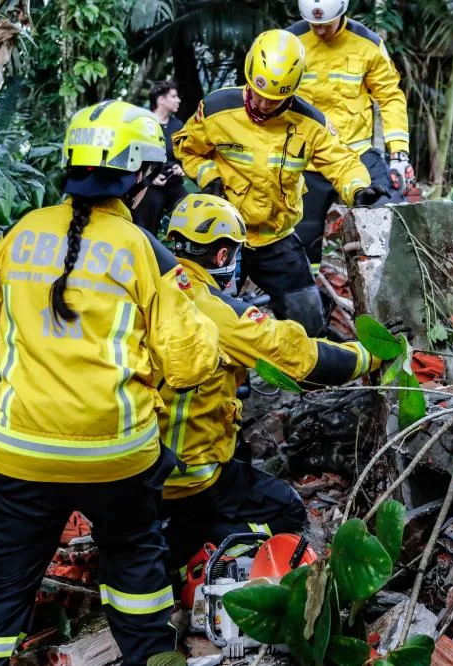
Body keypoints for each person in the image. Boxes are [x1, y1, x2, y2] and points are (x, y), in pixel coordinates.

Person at [0, 100, 221, 666]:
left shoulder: (22, 233)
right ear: (140, 174)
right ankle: (152, 656)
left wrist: (23, 361)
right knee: (137, 565)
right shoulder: (143, 250)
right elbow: (192, 363)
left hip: (20, 453)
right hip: (119, 457)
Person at [156, 193, 379, 568]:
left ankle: (182, 559)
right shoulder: (219, 312)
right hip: (189, 474)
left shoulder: (151, 290)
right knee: (285, 510)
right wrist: (370, 354)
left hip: (138, 464)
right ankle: (235, 577)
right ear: (224, 256)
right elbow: (304, 361)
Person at [173, 29, 385, 337]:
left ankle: (310, 381)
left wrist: (357, 188)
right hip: (224, 235)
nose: (262, 104)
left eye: (274, 99)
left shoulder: (310, 123)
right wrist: (209, 176)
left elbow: (342, 161)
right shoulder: (217, 109)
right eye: (257, 93)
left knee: (308, 319)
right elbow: (186, 147)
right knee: (207, 317)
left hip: (276, 237)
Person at [288, 0, 412, 264]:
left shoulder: (367, 44)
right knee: (299, 241)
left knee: (389, 210)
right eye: (314, 24)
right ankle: (308, 299)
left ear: (342, 12)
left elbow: (390, 97)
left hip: (356, 154)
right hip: (307, 160)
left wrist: (399, 154)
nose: (319, 31)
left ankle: (390, 281)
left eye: (326, 24)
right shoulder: (289, 42)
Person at [133, 80, 188, 234]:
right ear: (161, 99)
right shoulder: (143, 123)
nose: (178, 100)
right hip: (150, 184)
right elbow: (135, 154)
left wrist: (181, 167)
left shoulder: (177, 126)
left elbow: (185, 154)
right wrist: (149, 176)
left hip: (173, 183)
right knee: (146, 226)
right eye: (174, 96)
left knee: (188, 211)